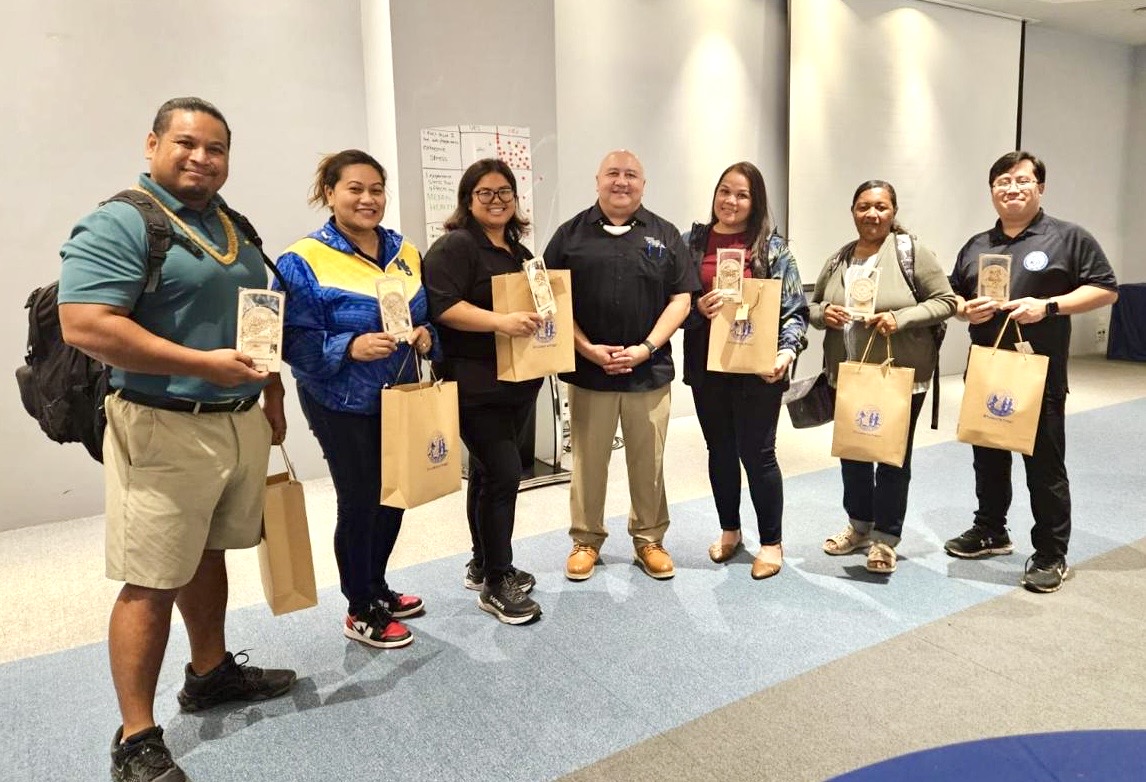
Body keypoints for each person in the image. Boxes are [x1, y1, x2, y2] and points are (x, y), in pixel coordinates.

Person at [58, 97, 296, 782]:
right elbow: (86, 324)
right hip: (162, 424)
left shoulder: (230, 224)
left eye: (215, 147)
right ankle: (135, 736)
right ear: (153, 143)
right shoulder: (122, 221)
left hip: (237, 418)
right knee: (151, 577)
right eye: (186, 143)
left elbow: (258, 318)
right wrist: (200, 365)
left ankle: (211, 672)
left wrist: (270, 390)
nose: (201, 157)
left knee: (208, 551)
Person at [274, 149, 433, 649]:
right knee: (360, 499)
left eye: (376, 190)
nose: (368, 199)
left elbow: (421, 311)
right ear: (329, 193)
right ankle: (359, 606)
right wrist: (350, 346)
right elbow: (291, 341)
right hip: (339, 400)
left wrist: (426, 335)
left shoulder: (404, 251)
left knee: (395, 496)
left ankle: (378, 585)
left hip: (400, 394)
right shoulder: (301, 259)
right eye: (355, 189)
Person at [944, 151, 1118, 593]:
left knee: (1043, 463)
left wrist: (1050, 306)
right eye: (1003, 181)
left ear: (1040, 187)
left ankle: (1050, 552)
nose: (1012, 188)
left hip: (1037, 370)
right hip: (986, 367)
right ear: (992, 191)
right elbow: (954, 296)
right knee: (987, 452)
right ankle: (990, 530)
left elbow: (1105, 290)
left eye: (1022, 180)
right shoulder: (977, 244)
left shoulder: (1068, 237)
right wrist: (967, 310)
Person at [544, 149, 698, 581]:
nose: (621, 181)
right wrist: (587, 348)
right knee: (589, 462)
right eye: (613, 173)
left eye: (631, 174)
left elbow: (682, 299)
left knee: (648, 461)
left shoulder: (665, 234)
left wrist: (647, 347)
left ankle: (649, 538)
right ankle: (585, 540)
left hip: (648, 370)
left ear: (643, 185)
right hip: (589, 370)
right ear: (597, 180)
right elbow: (552, 298)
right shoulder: (569, 235)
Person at [810, 180, 955, 575]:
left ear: (893, 211)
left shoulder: (912, 252)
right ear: (853, 211)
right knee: (854, 452)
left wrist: (899, 318)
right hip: (849, 374)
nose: (872, 214)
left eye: (880, 207)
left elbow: (947, 301)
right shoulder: (840, 257)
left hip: (898, 375)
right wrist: (825, 315)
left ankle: (886, 539)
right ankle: (858, 526)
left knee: (892, 458)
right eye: (863, 207)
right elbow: (814, 304)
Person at [423, 158, 543, 624]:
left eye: (504, 192)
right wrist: (501, 322)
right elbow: (443, 306)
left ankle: (481, 561)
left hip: (518, 382)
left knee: (489, 475)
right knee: (505, 474)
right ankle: (498, 579)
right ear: (468, 200)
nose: (496, 201)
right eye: (485, 193)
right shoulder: (456, 246)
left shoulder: (518, 251)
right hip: (475, 384)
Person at [682, 162, 809, 579]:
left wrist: (786, 353)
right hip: (708, 366)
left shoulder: (772, 249)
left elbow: (795, 311)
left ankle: (771, 542)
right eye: (724, 191)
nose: (730, 201)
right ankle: (730, 530)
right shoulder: (691, 243)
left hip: (759, 370)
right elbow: (672, 304)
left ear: (755, 203)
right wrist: (695, 311)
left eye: (742, 194)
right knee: (718, 451)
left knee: (758, 454)